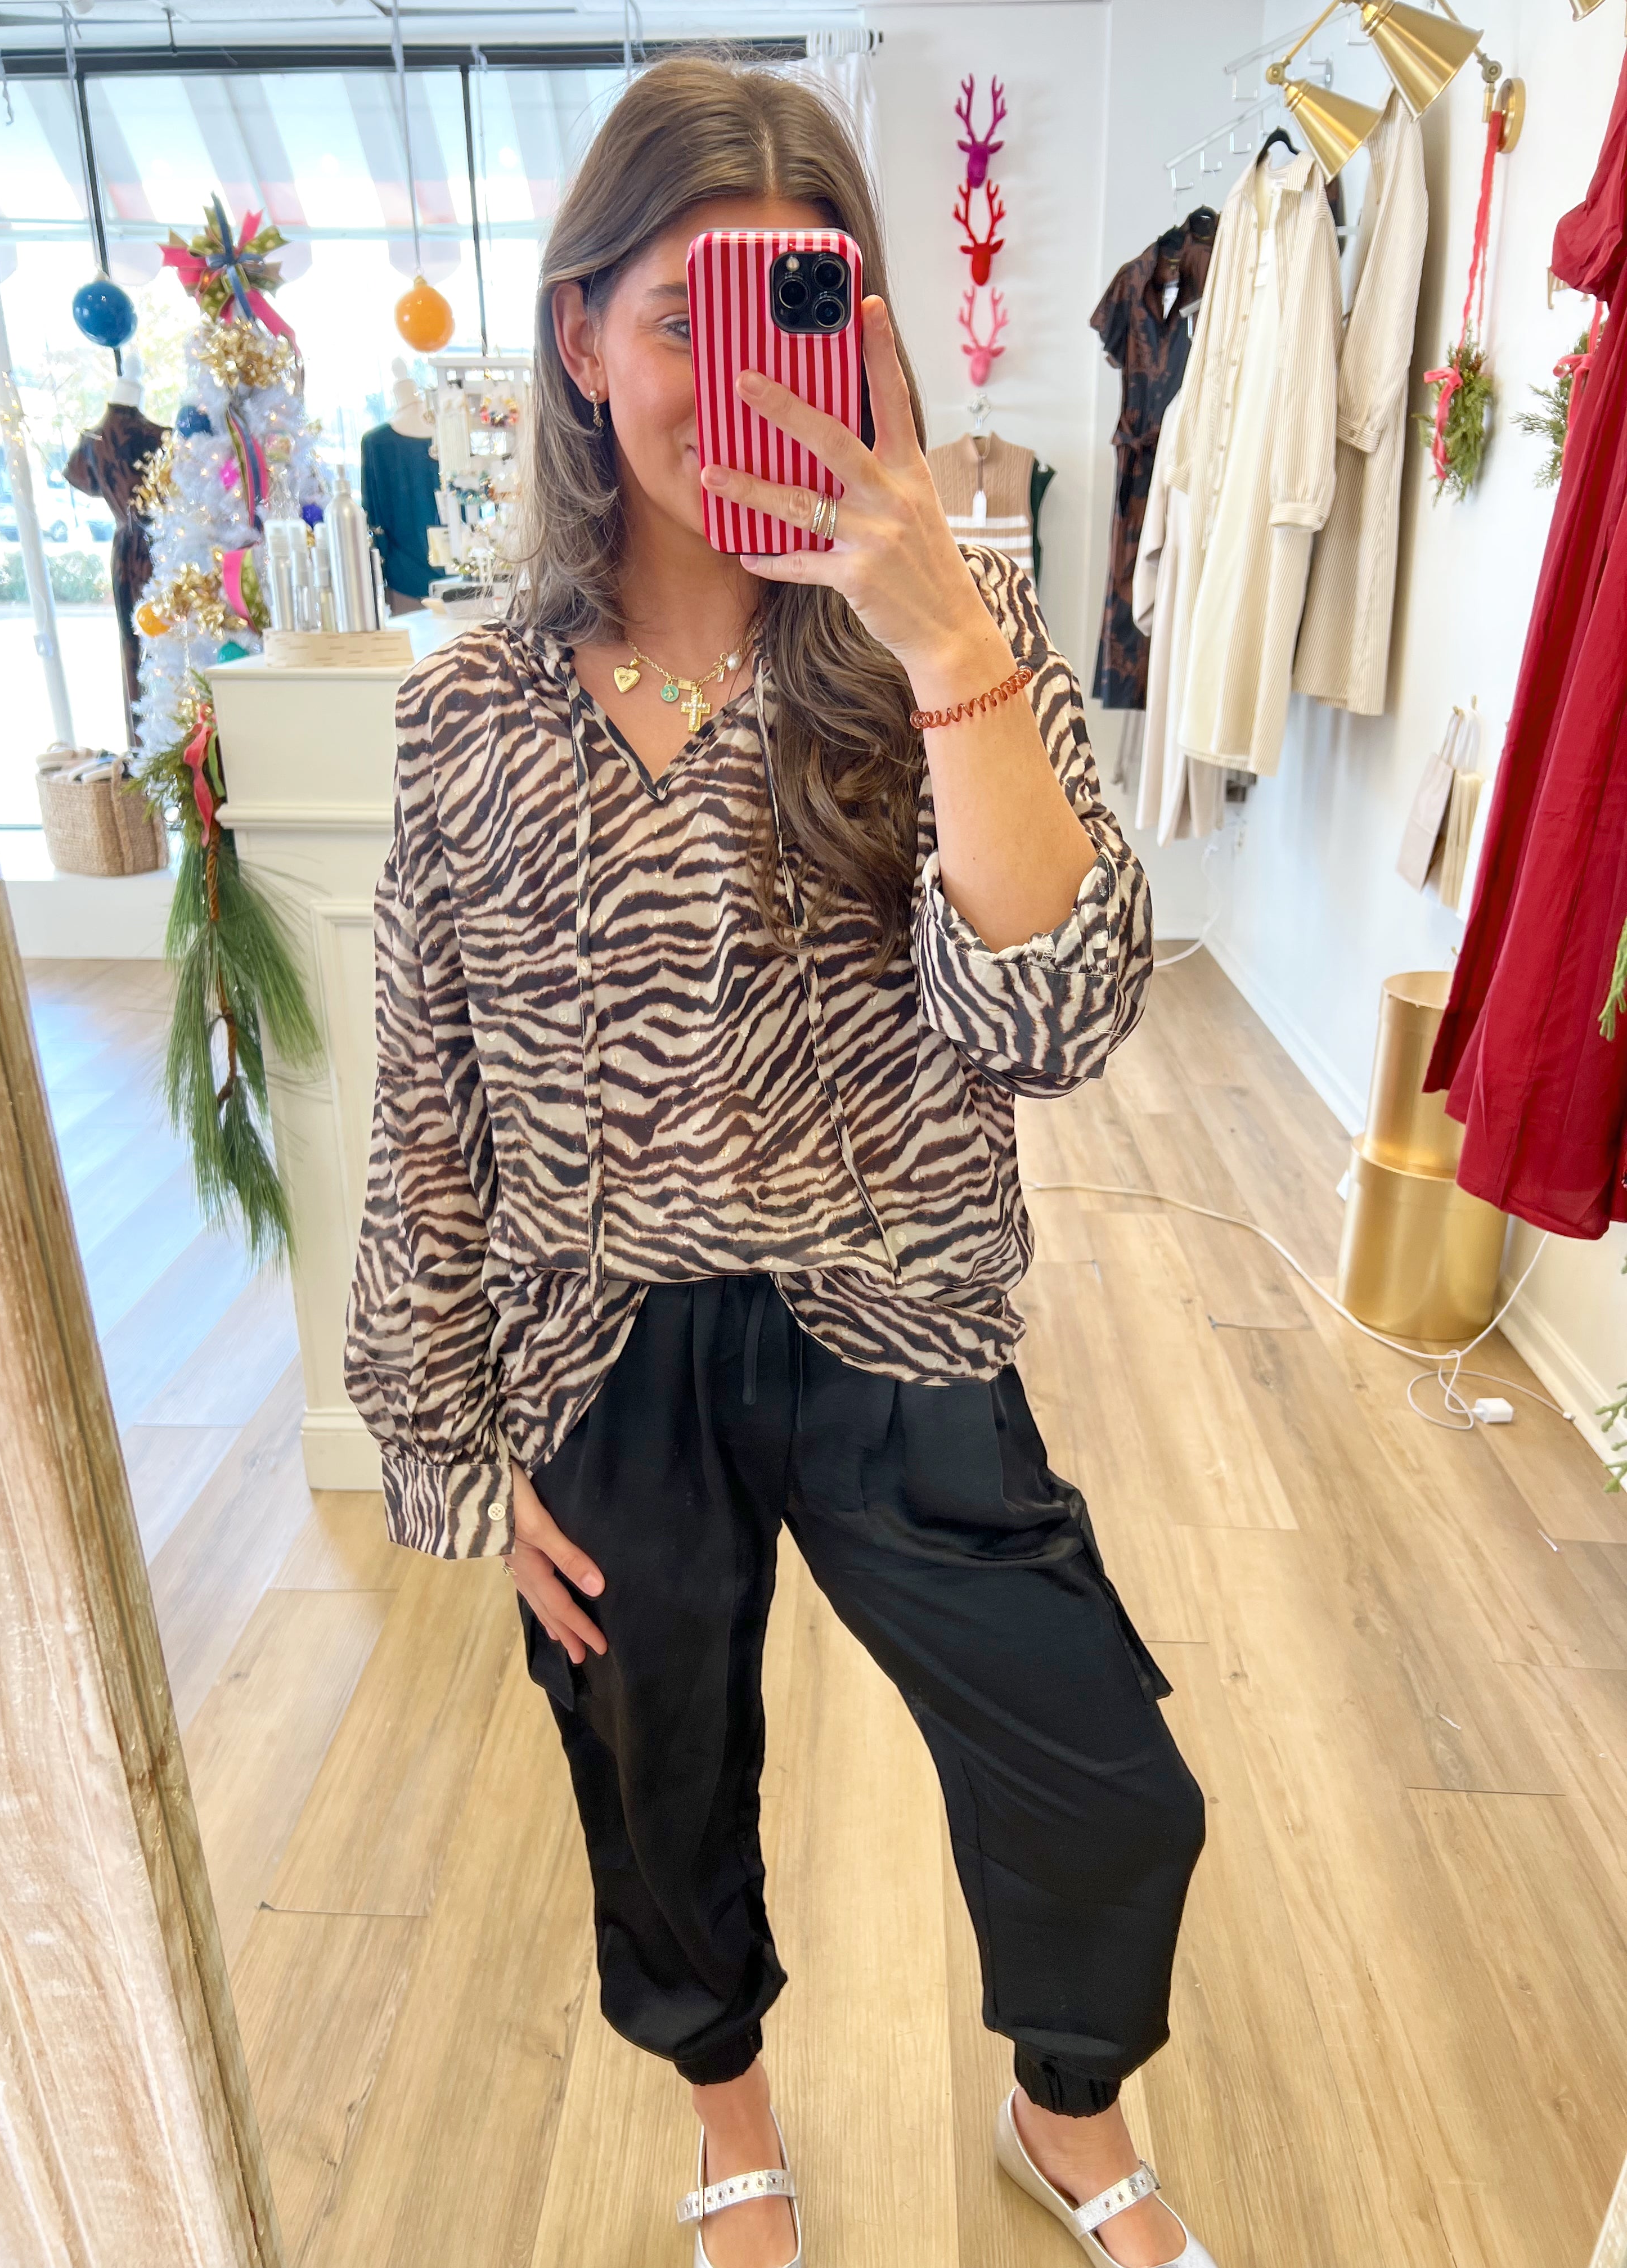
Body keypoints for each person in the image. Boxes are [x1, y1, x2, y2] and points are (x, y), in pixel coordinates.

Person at [345, 53, 1212, 2268]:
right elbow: (430, 1099)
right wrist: (453, 1442)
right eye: (678, 322)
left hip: (890, 1305)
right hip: (601, 1344)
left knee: (1102, 1774)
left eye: (792, 315)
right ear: (579, 339)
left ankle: (1066, 2111)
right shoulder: (466, 718)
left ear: (865, 333)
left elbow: (1058, 1024)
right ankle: (730, 2115)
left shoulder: (954, 646)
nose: (730, 383)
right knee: (654, 1779)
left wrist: (948, 644)